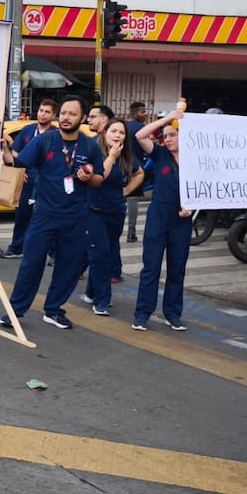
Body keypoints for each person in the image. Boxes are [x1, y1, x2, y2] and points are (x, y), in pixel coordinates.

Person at [0, 96, 103, 331]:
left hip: (76, 217)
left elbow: (99, 179)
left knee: (69, 266)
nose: (66, 117)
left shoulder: (89, 146)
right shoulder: (45, 140)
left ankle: (54, 310)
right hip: (44, 214)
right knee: (31, 263)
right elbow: (18, 163)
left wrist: (89, 177)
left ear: (82, 118)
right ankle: (15, 310)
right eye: (63, 113)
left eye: (72, 114)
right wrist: (5, 149)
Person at [131, 110, 193, 331]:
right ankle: (142, 314)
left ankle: (173, 314)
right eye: (165, 136)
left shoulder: (196, 160)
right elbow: (140, 135)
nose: (167, 139)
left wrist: (192, 208)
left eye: (172, 135)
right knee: (151, 267)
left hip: (182, 220)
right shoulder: (159, 155)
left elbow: (204, 190)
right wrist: (167, 120)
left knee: (177, 268)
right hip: (158, 215)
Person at [82, 117, 145, 314]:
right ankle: (102, 300)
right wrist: (111, 157)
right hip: (94, 211)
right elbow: (100, 178)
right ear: (104, 132)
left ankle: (91, 292)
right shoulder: (95, 151)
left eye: (122, 133)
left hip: (116, 211)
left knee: (106, 254)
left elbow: (139, 173)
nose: (118, 136)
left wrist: (126, 190)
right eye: (114, 131)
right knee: (99, 256)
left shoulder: (126, 156)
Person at [0, 98, 57, 259]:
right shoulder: (27, 130)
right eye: (41, 110)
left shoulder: (56, 134)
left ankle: (54, 253)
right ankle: (17, 247)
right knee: (22, 215)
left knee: (48, 217)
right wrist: (20, 169)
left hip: (46, 181)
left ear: (53, 115)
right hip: (27, 179)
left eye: (47, 112)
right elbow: (16, 153)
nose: (43, 114)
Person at [125, 102, 147, 242]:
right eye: (142, 112)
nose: (145, 114)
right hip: (135, 168)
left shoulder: (124, 126)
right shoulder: (141, 128)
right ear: (134, 113)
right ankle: (131, 233)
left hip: (121, 164)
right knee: (132, 199)